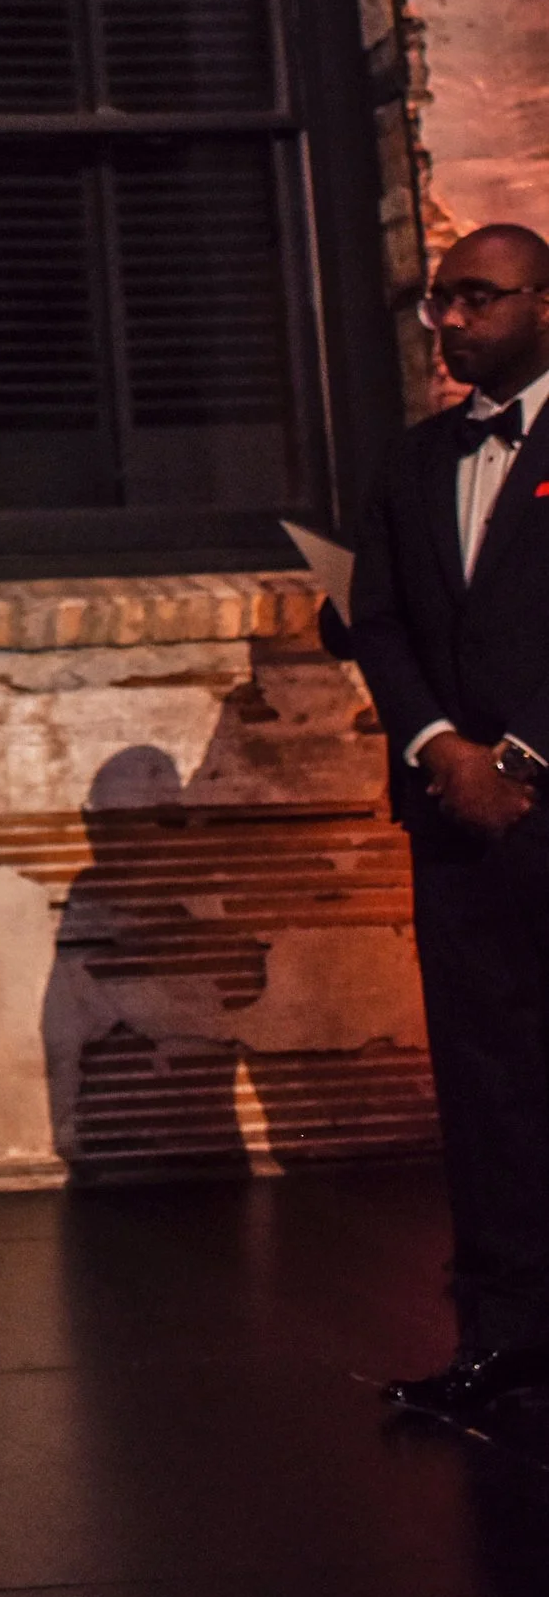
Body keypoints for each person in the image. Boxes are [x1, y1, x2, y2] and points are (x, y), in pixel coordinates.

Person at [346, 222, 549, 1422]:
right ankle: (504, 1332)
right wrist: (440, 749)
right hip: (454, 816)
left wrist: (518, 755)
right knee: (484, 1081)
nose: (452, 320)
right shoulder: (413, 459)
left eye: (478, 296)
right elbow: (378, 619)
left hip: (540, 790)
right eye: (441, 301)